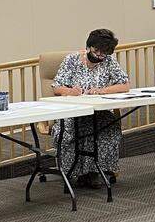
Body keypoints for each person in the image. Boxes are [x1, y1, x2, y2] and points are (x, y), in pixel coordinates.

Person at [51, 29, 130, 189]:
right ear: (89, 47)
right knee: (73, 131)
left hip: (98, 112)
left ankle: (97, 171)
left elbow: (125, 85)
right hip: (73, 112)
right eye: (97, 52)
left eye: (104, 54)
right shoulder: (72, 60)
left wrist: (102, 90)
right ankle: (75, 172)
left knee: (110, 128)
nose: (100, 56)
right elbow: (57, 87)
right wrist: (71, 92)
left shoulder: (109, 61)